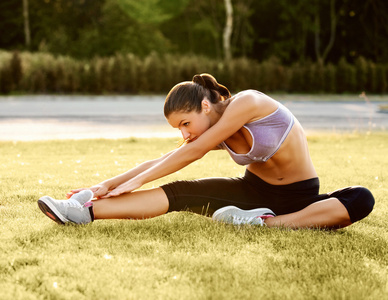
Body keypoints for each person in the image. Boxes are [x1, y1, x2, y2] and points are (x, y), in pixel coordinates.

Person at [37, 73, 375, 229]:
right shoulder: (212, 129)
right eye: (178, 129)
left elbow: (192, 152)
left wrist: (134, 183)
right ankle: (82, 210)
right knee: (179, 193)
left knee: (360, 198)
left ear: (204, 105)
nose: (184, 133)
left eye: (185, 123)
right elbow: (166, 158)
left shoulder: (248, 102)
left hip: (300, 195)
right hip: (252, 191)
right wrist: (105, 185)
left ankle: (266, 225)